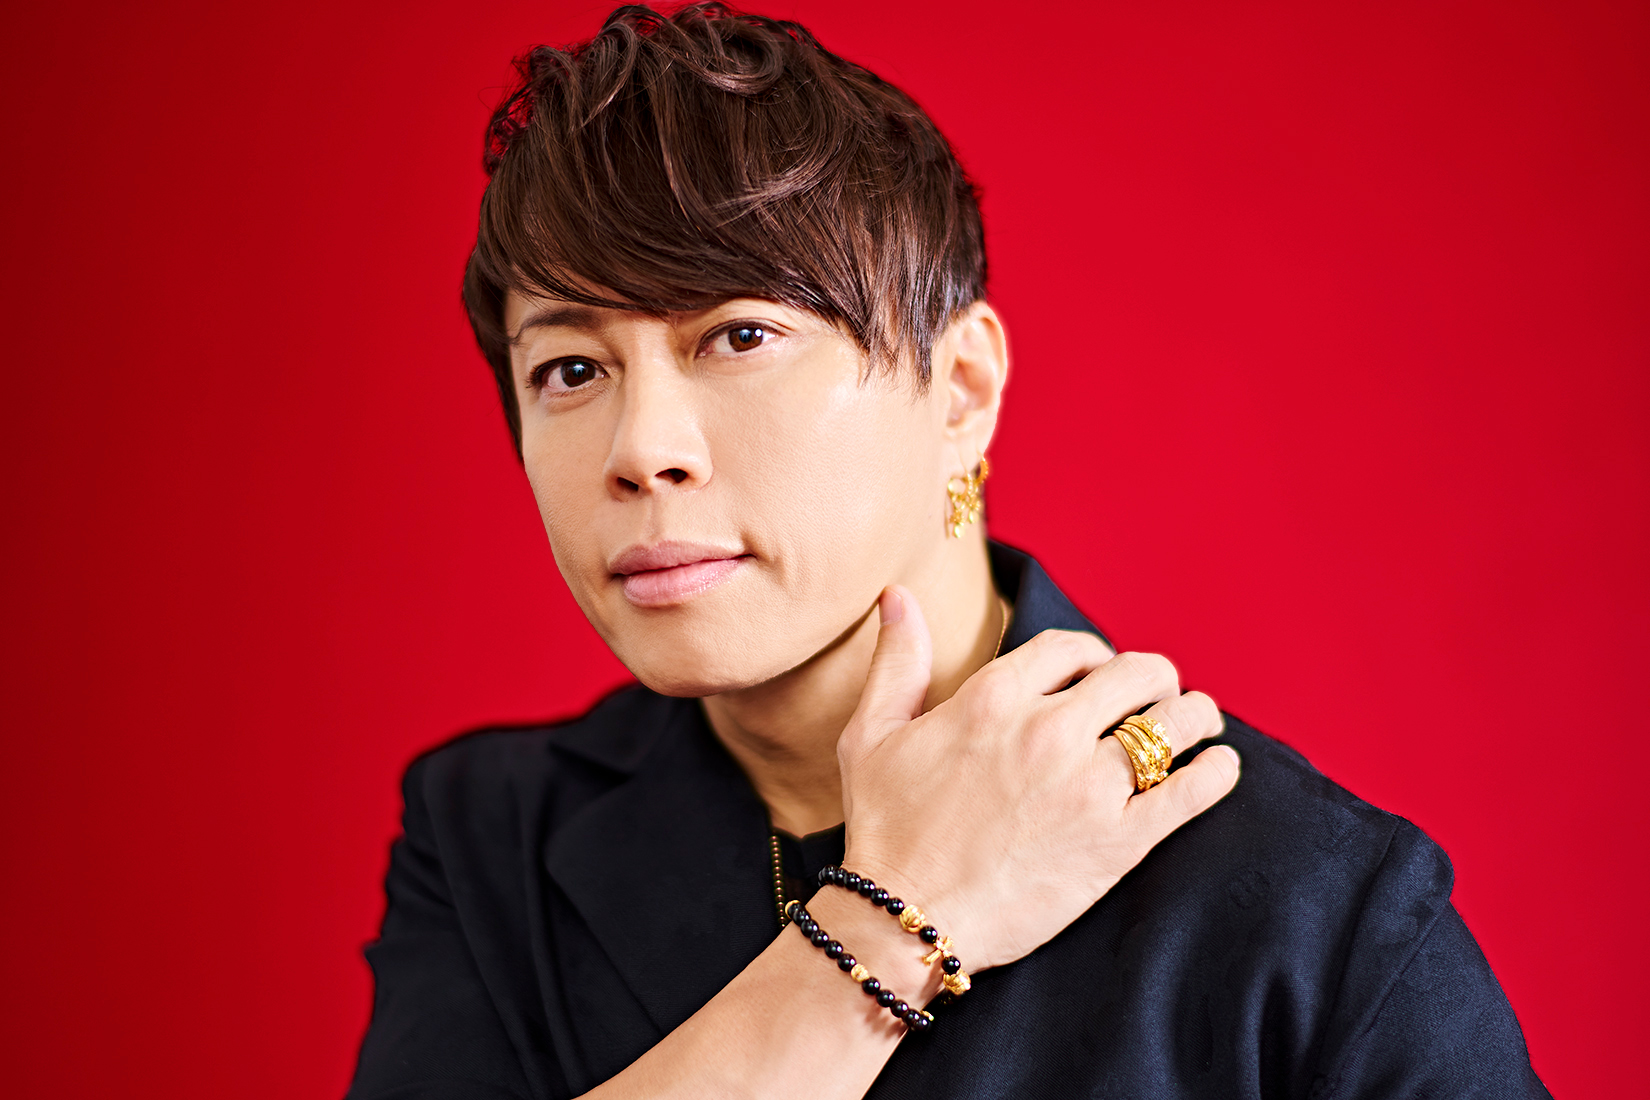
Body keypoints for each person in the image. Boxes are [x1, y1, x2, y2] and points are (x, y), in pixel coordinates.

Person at [348, 5, 1550, 1098]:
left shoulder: (1315, 904)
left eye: (740, 335)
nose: (641, 449)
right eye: (571, 368)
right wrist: (893, 919)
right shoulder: (487, 835)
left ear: (962, 387)